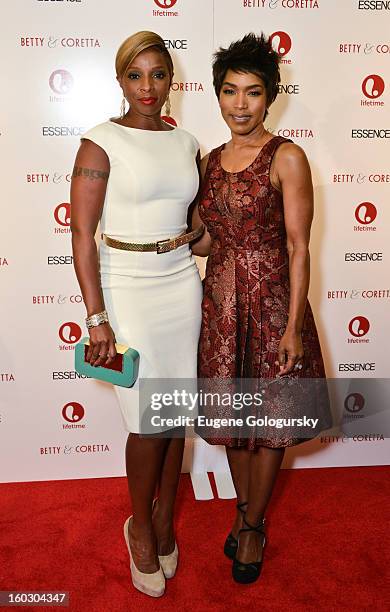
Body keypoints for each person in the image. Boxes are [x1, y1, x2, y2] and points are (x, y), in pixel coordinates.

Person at [191, 33, 331, 584]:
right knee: (233, 418)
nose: (240, 104)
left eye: (252, 92)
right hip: (221, 304)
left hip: (272, 304)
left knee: (269, 421)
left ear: (270, 96)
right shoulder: (209, 160)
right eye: (230, 91)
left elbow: (299, 246)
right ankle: (246, 510)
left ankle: (252, 523)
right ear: (218, 95)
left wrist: (294, 324)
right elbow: (206, 240)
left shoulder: (287, 156)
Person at [70, 31, 203, 598]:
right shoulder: (100, 143)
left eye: (157, 74)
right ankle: (140, 526)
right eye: (135, 75)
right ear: (121, 80)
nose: (147, 87)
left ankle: (169, 517)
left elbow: (195, 226)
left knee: (176, 416)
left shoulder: (187, 142)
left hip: (181, 285)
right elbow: (80, 232)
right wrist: (97, 318)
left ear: (171, 79)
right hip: (127, 289)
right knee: (148, 423)